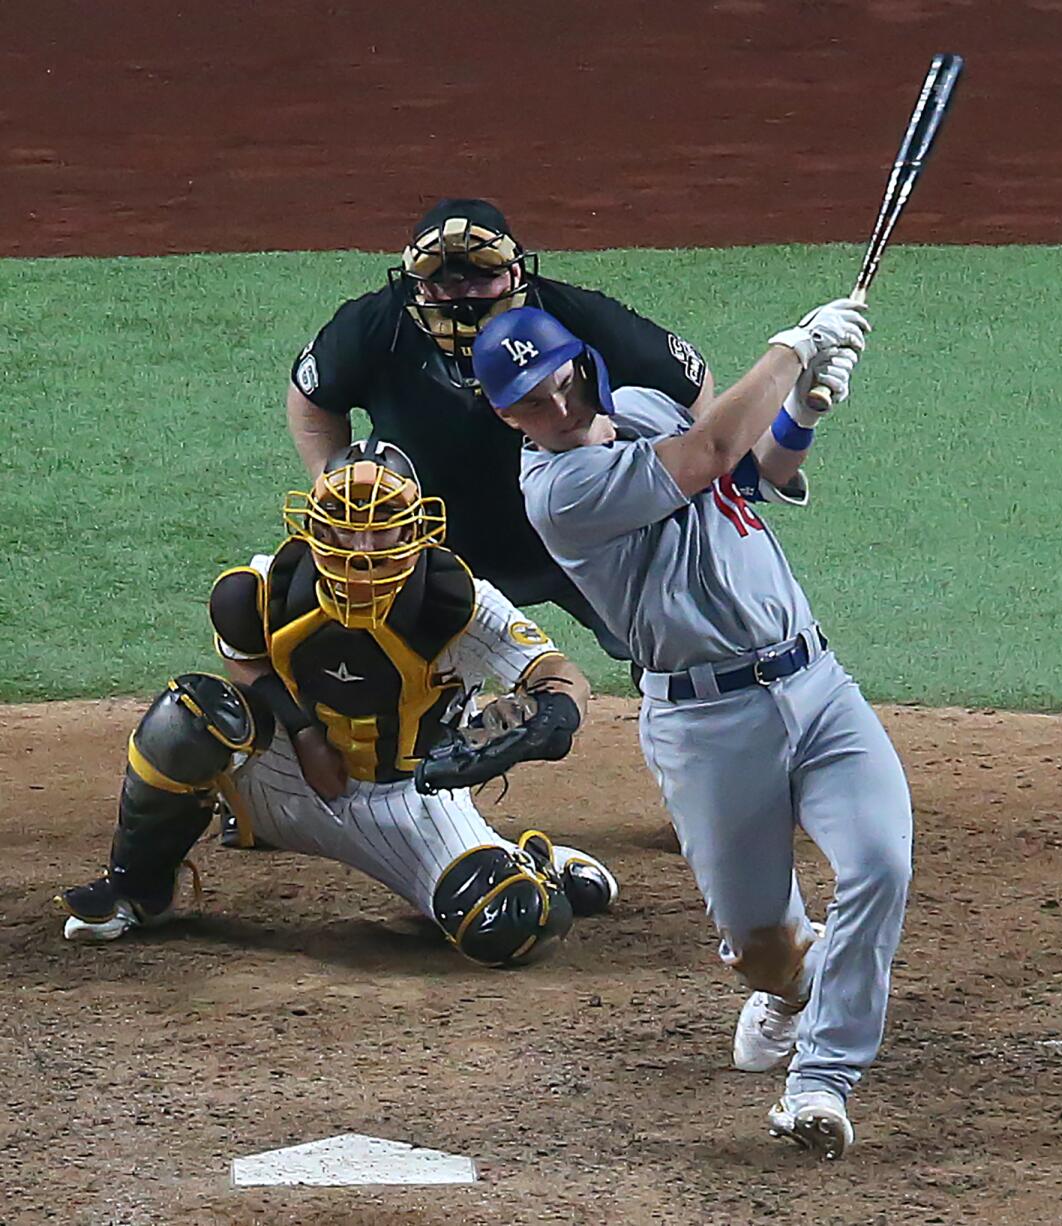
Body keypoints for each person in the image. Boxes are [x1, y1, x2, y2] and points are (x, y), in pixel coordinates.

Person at [464, 302, 912, 1157]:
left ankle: (822, 1079)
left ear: (580, 364)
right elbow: (707, 454)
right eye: (526, 403)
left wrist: (802, 412)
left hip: (815, 685)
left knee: (880, 862)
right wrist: (794, 347)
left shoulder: (641, 407)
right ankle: (786, 992)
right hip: (708, 725)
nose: (552, 410)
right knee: (764, 947)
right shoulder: (558, 491)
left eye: (557, 384)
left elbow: (747, 473)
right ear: (502, 413)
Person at [56, 440, 617, 968]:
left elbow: (558, 673)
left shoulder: (457, 602)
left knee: (511, 927)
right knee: (187, 719)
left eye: (382, 531)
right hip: (290, 776)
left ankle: (531, 862)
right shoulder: (268, 587)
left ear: (417, 532)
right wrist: (302, 733)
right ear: (316, 528)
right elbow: (245, 659)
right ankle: (137, 888)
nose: (363, 551)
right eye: (346, 531)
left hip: (410, 800)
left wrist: (551, 718)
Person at [286, 197, 714, 660]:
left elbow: (689, 384)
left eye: (480, 276)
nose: (461, 295)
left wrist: (664, 488)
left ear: (514, 274)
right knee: (378, 665)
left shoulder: (574, 317)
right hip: (431, 546)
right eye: (443, 281)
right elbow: (311, 398)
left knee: (675, 651)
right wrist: (338, 488)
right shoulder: (375, 324)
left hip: (577, 538)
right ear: (416, 285)